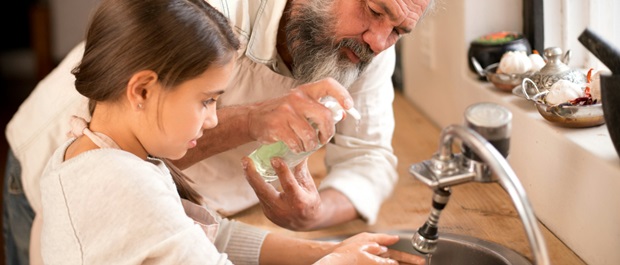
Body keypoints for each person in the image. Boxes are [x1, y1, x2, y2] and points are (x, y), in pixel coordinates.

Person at [3, 0, 435, 263]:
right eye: (375, 11)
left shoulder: (128, 165)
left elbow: (203, 233)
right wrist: (251, 119)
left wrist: (317, 231)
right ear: (143, 88)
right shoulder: (123, 184)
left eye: (398, 29)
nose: (380, 42)